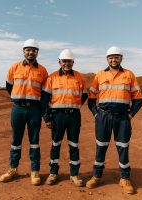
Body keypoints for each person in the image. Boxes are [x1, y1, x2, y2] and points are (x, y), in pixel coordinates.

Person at [86, 46, 142, 194]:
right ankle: (96, 176)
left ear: (121, 59)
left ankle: (125, 178)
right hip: (103, 116)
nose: (113, 59)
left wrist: (130, 115)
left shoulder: (129, 75)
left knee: (123, 147)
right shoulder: (99, 75)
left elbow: (138, 100)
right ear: (107, 59)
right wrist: (96, 114)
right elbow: (91, 99)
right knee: (101, 146)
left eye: (116, 57)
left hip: (123, 117)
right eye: (111, 57)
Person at [0, 39, 48, 185]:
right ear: (23, 51)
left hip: (34, 109)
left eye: (33, 50)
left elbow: (45, 93)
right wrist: (18, 98)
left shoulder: (42, 71)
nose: (30, 52)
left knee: (34, 141)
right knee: (16, 140)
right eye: (28, 49)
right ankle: (13, 169)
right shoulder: (14, 68)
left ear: (37, 52)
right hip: (18, 109)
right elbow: (9, 86)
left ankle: (35, 171)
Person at [41, 49, 88, 187]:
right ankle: (53, 173)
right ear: (59, 62)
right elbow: (44, 99)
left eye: (69, 61)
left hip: (74, 116)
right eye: (64, 61)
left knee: (74, 145)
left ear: (73, 62)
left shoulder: (79, 77)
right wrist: (47, 117)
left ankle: (74, 174)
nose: (67, 63)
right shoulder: (52, 77)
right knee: (56, 145)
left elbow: (84, 95)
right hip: (57, 116)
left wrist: (76, 106)